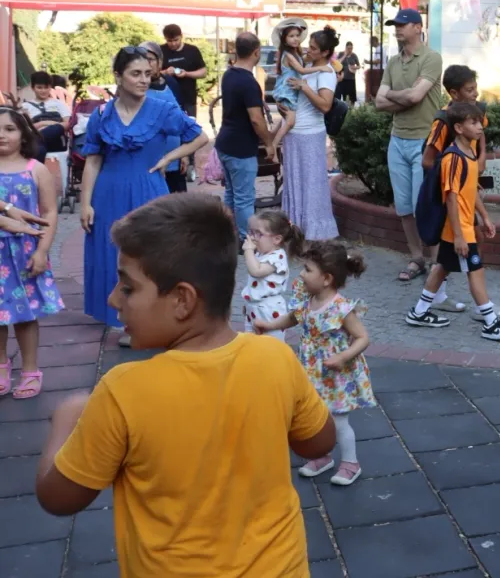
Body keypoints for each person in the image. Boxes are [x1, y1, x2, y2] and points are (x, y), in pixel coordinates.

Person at [34, 194, 337, 574]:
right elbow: (319, 443)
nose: (113, 299)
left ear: (182, 300)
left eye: (127, 287)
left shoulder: (125, 392)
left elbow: (58, 497)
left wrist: (67, 418)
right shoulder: (275, 358)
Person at [81, 47, 208, 346]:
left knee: (151, 257)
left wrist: (169, 158)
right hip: (108, 192)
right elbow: (93, 160)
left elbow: (200, 137)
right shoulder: (101, 114)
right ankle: (121, 319)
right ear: (118, 76)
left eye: (147, 74)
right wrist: (85, 203)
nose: (143, 80)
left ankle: (154, 320)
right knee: (109, 253)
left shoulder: (162, 109)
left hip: (149, 190)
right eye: (135, 74)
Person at [255, 240, 375, 487]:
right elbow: (293, 318)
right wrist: (270, 325)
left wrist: (342, 357)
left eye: (308, 269)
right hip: (312, 371)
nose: (301, 274)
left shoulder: (341, 308)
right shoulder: (307, 299)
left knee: (338, 421)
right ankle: (321, 456)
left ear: (326, 279)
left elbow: (363, 338)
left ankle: (350, 463)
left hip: (336, 375)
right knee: (314, 416)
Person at [404, 101, 500, 341]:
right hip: (459, 230)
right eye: (474, 122)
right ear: (458, 128)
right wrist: (459, 235)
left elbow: (471, 190)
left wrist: (485, 217)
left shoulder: (469, 153)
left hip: (463, 227)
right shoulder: (454, 158)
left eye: (480, 122)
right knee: (475, 270)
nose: (480, 127)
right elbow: (451, 198)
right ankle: (491, 322)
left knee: (442, 267)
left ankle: (419, 312)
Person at [374, 8, 444, 283]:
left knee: (423, 205)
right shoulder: (393, 62)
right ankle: (417, 258)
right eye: (396, 25)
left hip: (425, 141)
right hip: (397, 140)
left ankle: (436, 262)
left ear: (418, 27)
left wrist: (395, 96)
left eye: (403, 24)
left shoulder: (431, 58)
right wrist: (403, 94)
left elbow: (415, 97)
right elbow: (379, 102)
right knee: (403, 207)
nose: (398, 28)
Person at [0, 107, 61, 400]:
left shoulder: (35, 169)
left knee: (24, 316)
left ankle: (30, 370)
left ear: (23, 135)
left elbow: (49, 212)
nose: (1, 135)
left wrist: (42, 251)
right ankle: (1, 366)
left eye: (9, 129)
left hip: (24, 252)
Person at [280, 27, 340, 241]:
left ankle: (314, 232)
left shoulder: (326, 73)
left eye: (314, 48)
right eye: (309, 45)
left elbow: (325, 106)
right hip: (294, 133)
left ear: (325, 52)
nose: (308, 50)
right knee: (294, 182)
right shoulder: (308, 66)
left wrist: (304, 87)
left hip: (310, 134)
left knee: (311, 183)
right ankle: (295, 228)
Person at [216, 32, 275, 239]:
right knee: (244, 198)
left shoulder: (229, 74)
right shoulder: (249, 83)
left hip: (225, 143)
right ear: (256, 52)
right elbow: (256, 119)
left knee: (231, 194)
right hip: (241, 148)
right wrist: (269, 143)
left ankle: (228, 234)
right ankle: (246, 240)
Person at [269, 19, 331, 156]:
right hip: (286, 92)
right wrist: (321, 68)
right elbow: (302, 70)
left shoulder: (296, 53)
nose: (295, 38)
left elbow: (306, 61)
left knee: (287, 119)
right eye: (291, 36)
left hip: (290, 92)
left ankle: (272, 136)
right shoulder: (288, 55)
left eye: (297, 35)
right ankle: (273, 145)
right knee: (290, 122)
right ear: (285, 40)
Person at [240, 209, 305, 340]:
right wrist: (249, 302)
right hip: (255, 308)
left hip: (269, 310)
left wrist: (248, 251)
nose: (252, 237)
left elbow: (256, 271)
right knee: (251, 343)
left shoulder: (277, 256)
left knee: (271, 343)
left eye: (258, 233)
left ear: (276, 239)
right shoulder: (260, 253)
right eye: (251, 232)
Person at [136, 43, 190, 195]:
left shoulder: (171, 84)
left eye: (150, 59)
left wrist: (185, 154)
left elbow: (183, 118)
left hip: (174, 161)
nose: (146, 63)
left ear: (160, 61)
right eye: (140, 59)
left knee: (177, 205)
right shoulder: (135, 88)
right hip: (148, 165)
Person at [160, 24, 208, 118]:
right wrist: (165, 72)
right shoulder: (161, 51)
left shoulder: (192, 50)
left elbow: (203, 72)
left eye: (176, 40)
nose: (173, 44)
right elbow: (151, 73)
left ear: (181, 36)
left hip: (188, 100)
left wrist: (186, 74)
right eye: (169, 41)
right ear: (165, 38)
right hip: (166, 100)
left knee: (189, 125)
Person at [22, 71, 70, 157]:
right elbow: (26, 128)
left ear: (50, 87)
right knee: (39, 148)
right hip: (36, 140)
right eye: (39, 88)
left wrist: (49, 126)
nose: (43, 91)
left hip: (57, 140)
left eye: (46, 87)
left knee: (40, 141)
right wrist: (44, 123)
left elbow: (68, 123)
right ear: (33, 88)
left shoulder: (59, 103)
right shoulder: (25, 106)